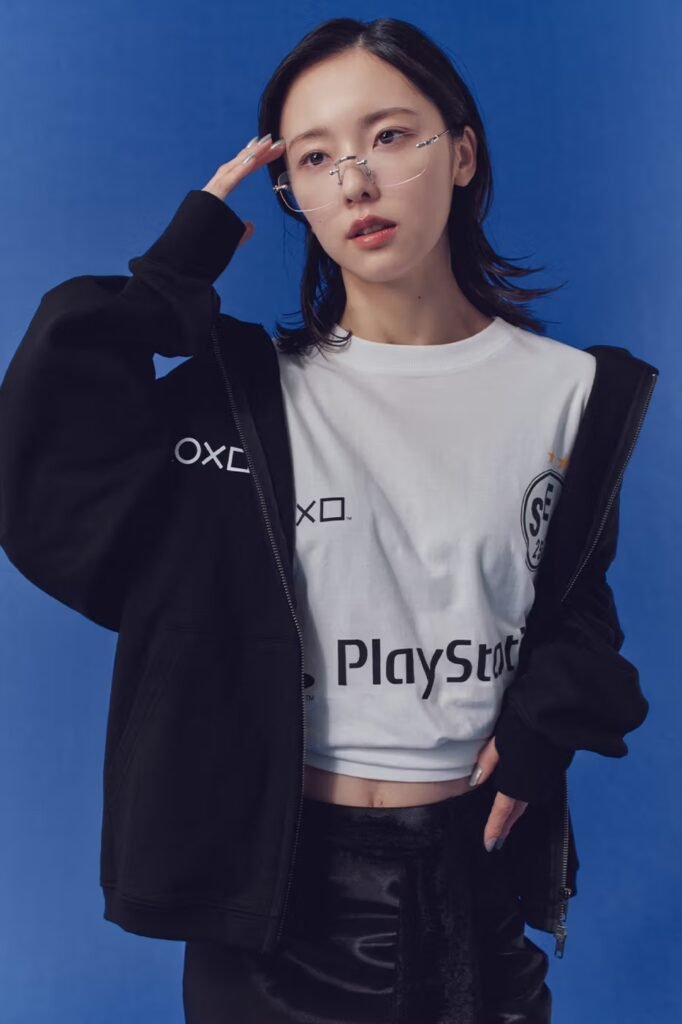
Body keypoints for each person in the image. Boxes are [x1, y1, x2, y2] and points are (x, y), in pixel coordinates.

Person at [0, 16, 659, 1024]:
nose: (355, 181)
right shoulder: (240, 399)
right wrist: (169, 279)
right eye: (314, 157)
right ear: (292, 195)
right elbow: (41, 461)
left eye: (388, 136)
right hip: (273, 915)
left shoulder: (574, 393)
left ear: (462, 153)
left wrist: (546, 727)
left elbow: (573, 601)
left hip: (471, 892)